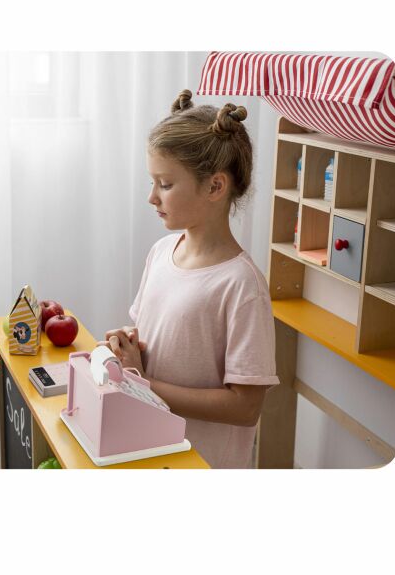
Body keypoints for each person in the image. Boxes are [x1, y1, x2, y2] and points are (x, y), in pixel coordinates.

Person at [101, 89, 280, 469]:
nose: (152, 197)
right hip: (152, 450)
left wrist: (142, 382)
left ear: (215, 186)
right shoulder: (161, 252)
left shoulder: (241, 285)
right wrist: (129, 348)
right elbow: (162, 340)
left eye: (165, 184)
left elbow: (245, 407)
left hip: (201, 463)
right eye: (152, 182)